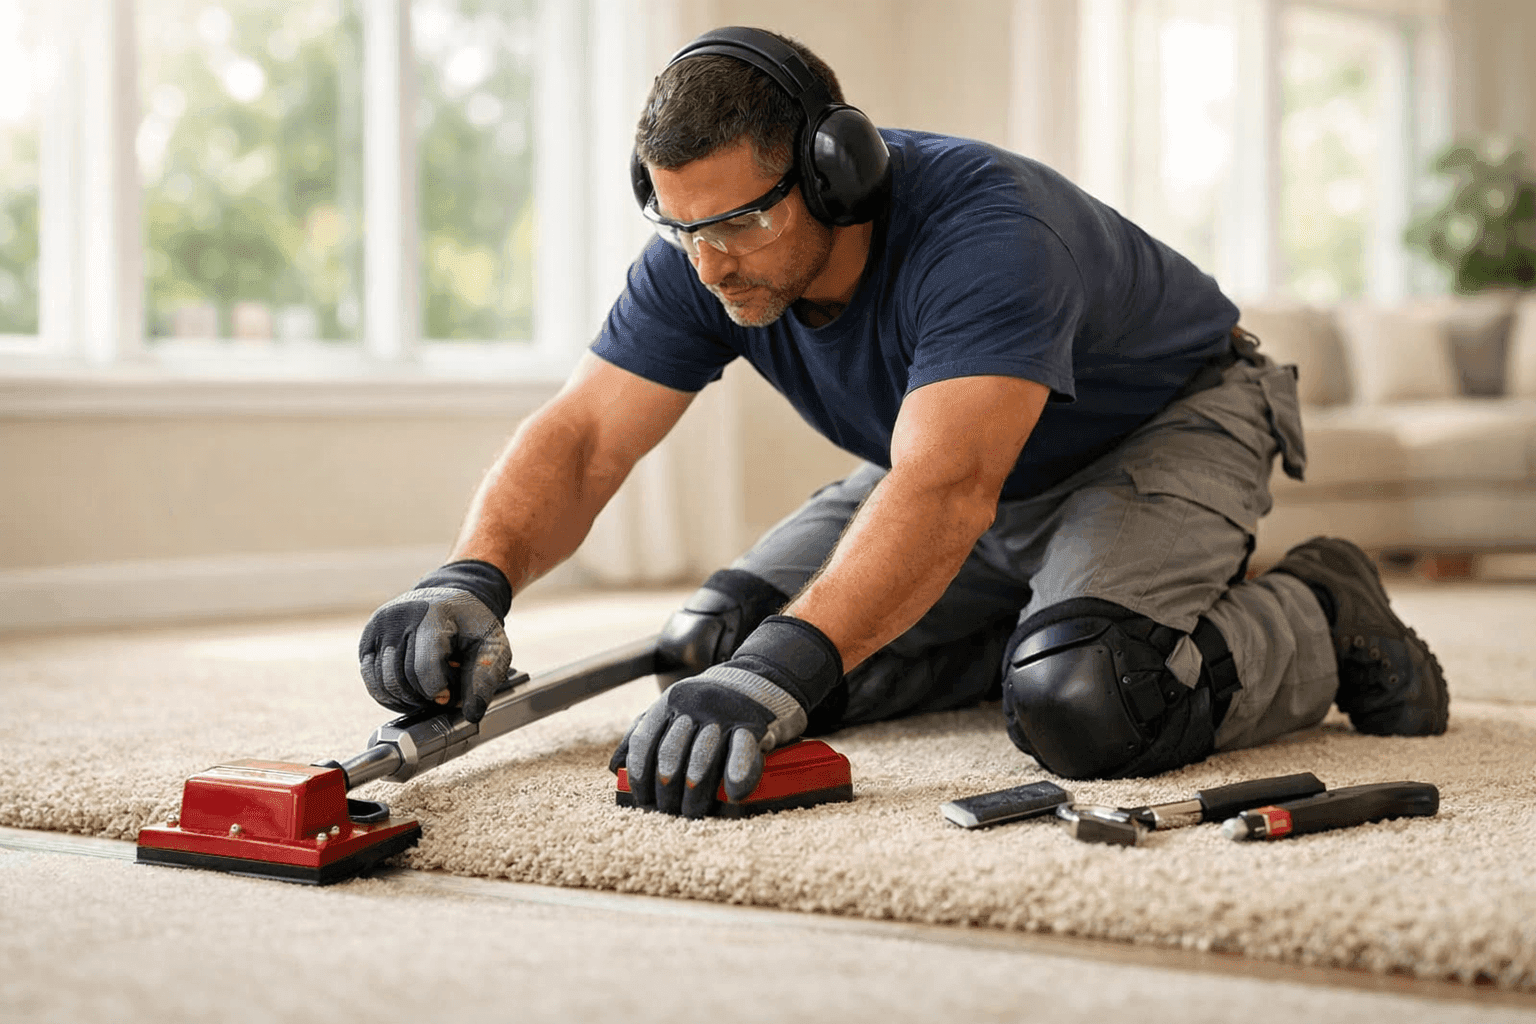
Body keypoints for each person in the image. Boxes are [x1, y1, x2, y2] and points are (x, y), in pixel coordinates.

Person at [358, 27, 1448, 819]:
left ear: (839, 171)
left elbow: (944, 488)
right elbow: (588, 435)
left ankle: (1320, 606)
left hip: (1161, 427)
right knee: (723, 652)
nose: (710, 261)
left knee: (1093, 699)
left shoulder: (986, 233)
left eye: (741, 219)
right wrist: (471, 576)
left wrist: (793, 666)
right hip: (964, 470)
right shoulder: (701, 257)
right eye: (680, 225)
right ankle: (1024, 624)